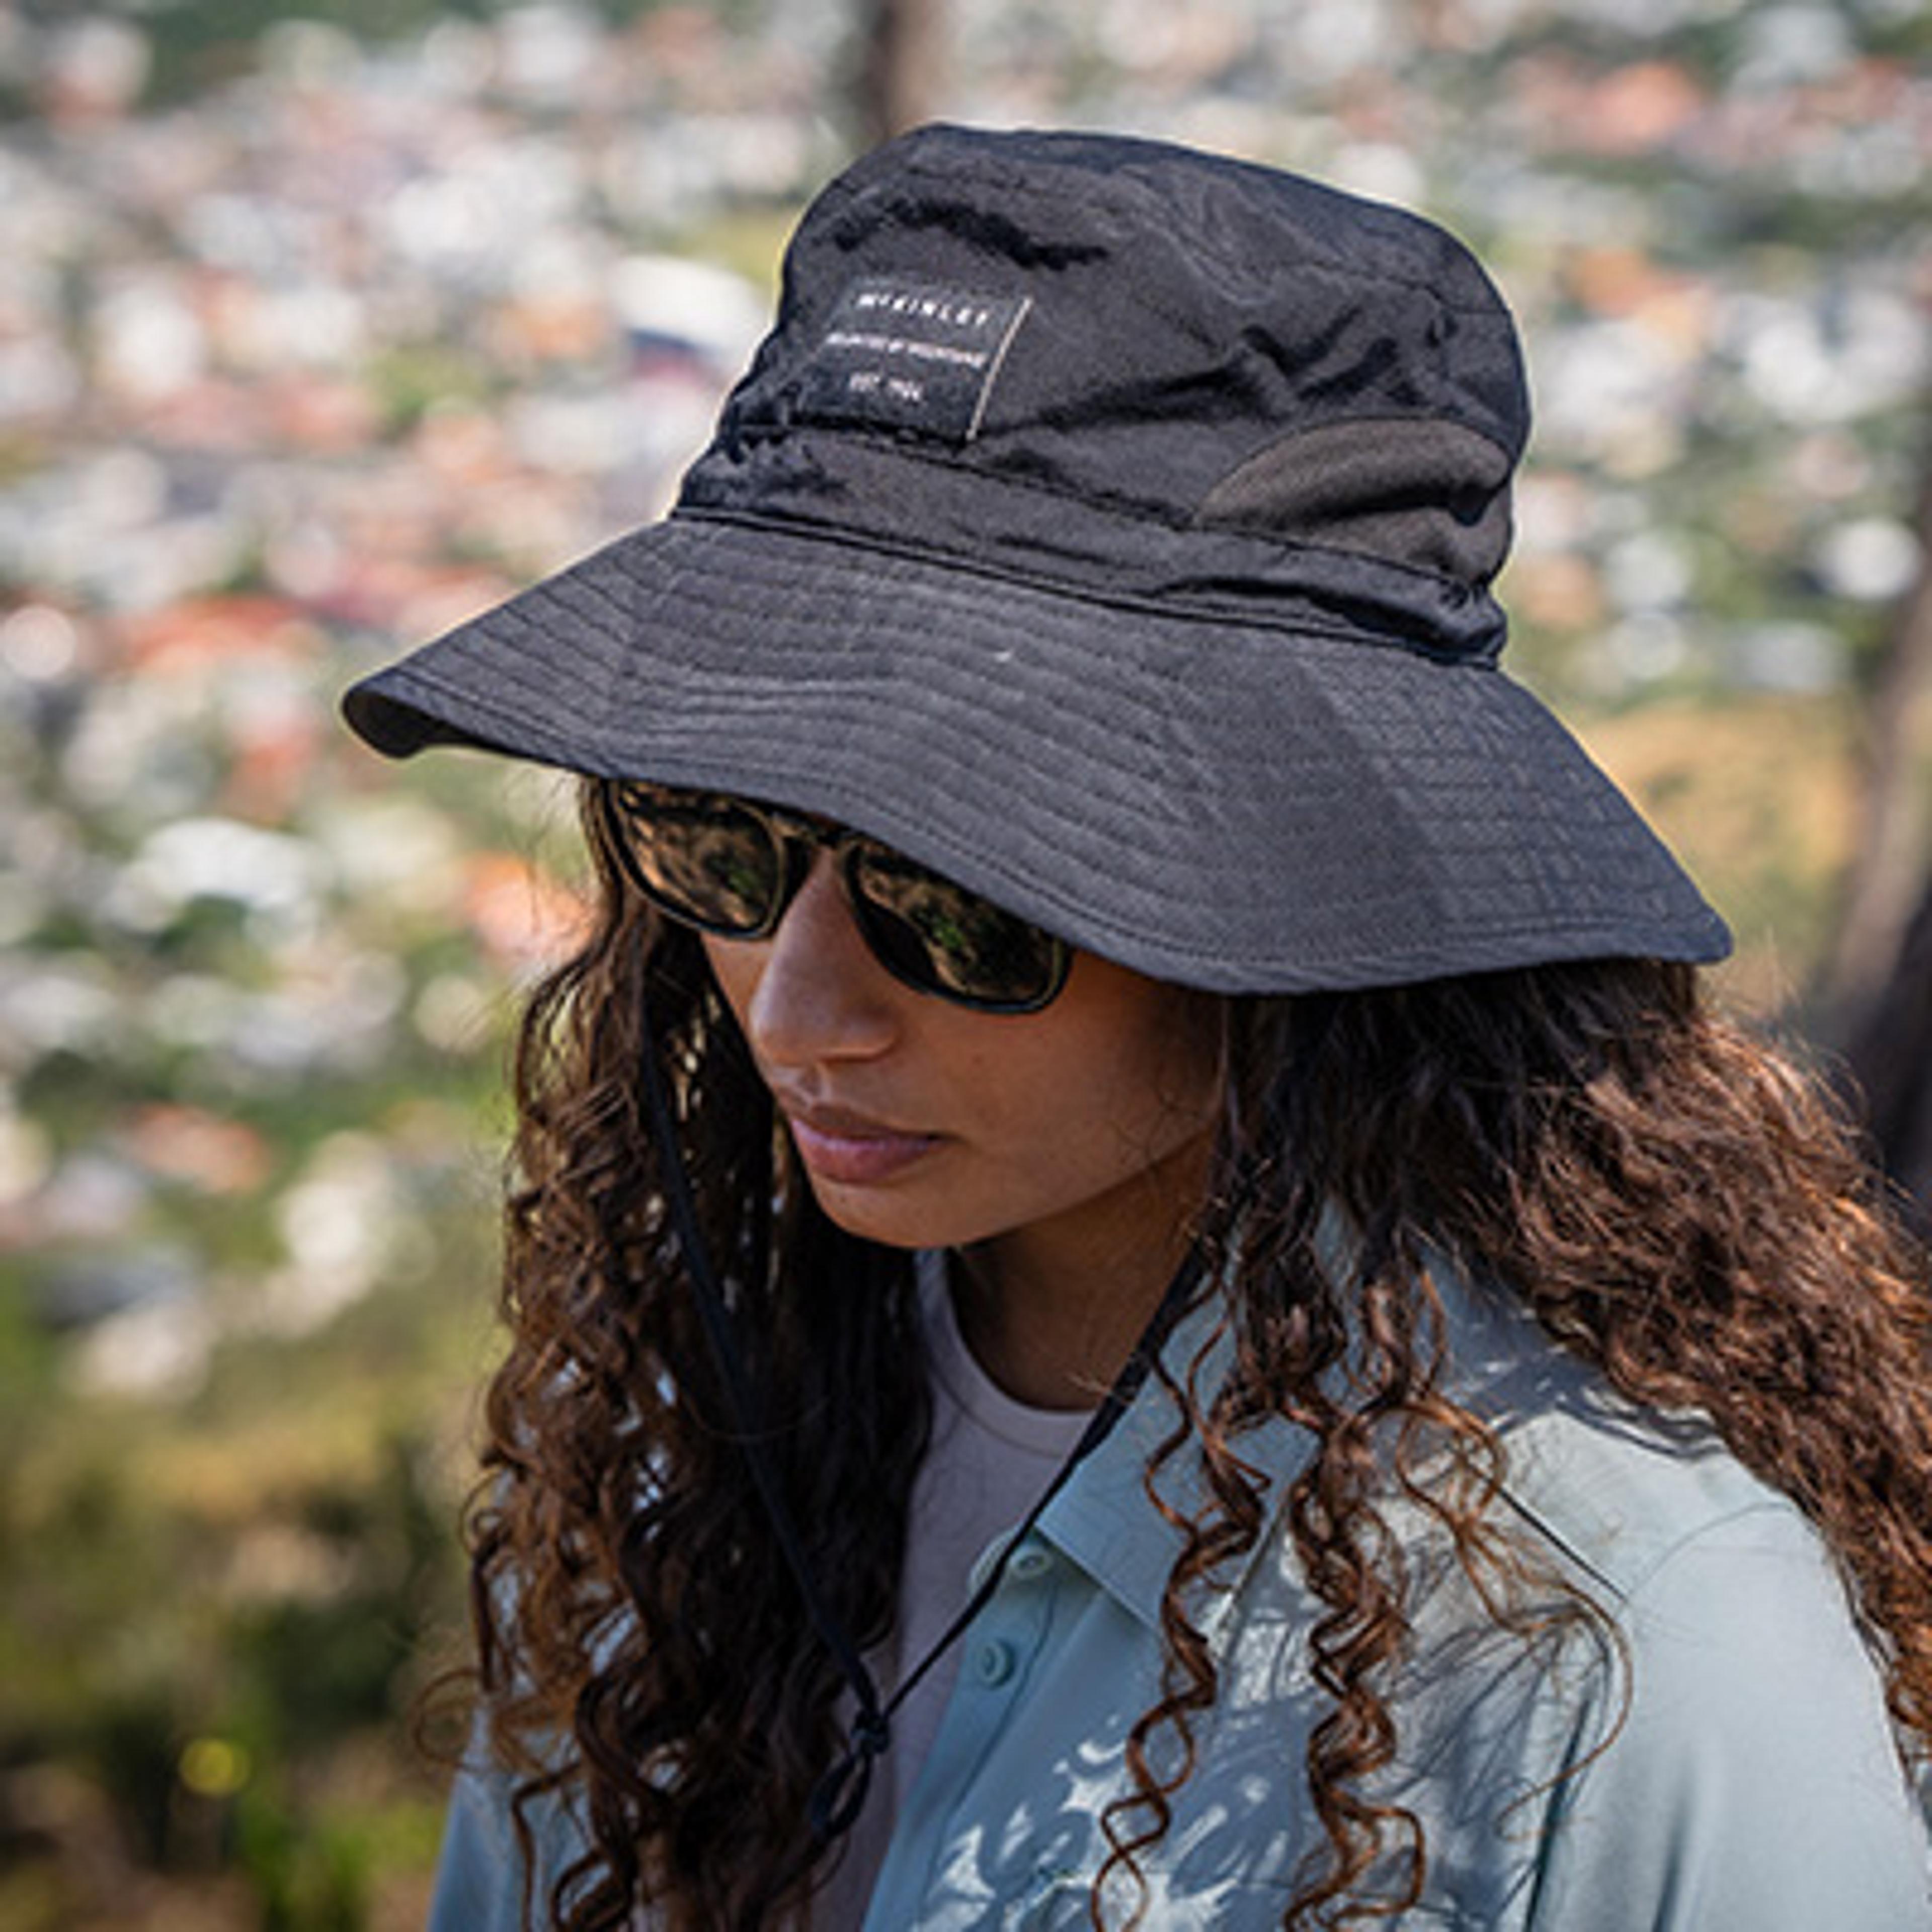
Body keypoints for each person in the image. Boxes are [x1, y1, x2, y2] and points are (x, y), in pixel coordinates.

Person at [341, 124, 1932, 1930]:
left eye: (960, 902)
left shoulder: (1619, 1665)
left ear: (1305, 889)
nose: (799, 1005)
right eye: (712, 842)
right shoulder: (685, 1474)